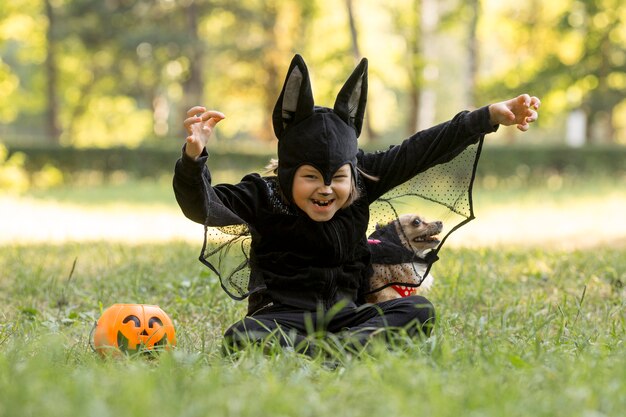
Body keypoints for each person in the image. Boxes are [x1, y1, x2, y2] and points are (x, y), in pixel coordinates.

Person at [173, 54, 540, 356]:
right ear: (287, 174)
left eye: (337, 178)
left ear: (352, 173)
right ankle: (332, 350)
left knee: (418, 311)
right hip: (283, 316)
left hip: (348, 317)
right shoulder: (263, 194)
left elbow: (421, 149)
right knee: (242, 336)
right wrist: (194, 159)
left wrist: (487, 116)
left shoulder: (365, 179)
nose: (326, 190)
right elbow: (202, 206)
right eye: (311, 177)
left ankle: (331, 348)